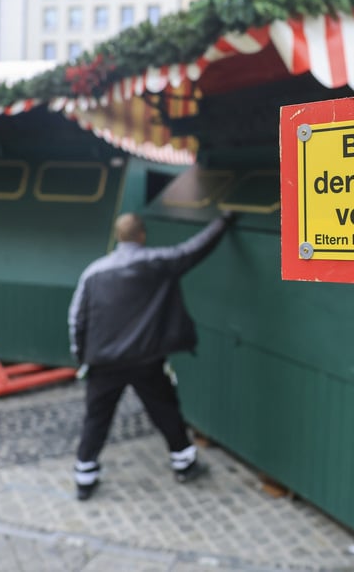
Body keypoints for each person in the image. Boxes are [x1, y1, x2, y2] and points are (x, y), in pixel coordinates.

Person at [68, 210, 234, 501]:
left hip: (103, 362)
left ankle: (85, 476)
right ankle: (184, 463)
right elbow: (194, 248)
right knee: (165, 409)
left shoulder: (92, 273)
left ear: (118, 237)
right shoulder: (157, 263)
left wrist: (82, 357)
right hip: (146, 360)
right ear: (142, 235)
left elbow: (76, 319)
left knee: (96, 418)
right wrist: (224, 221)